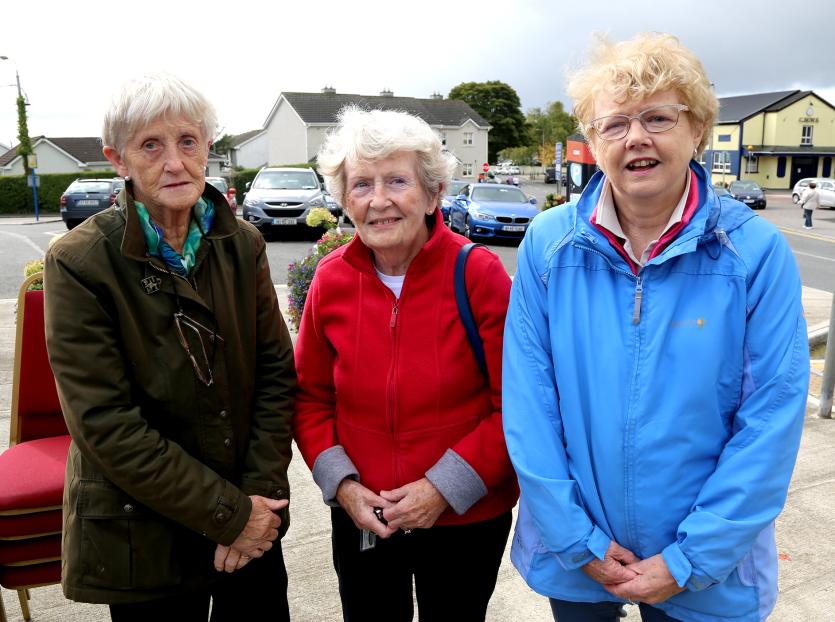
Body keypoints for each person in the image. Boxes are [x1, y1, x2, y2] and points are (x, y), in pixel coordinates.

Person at [502, 33, 809, 622]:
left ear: (697, 131)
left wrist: (691, 558)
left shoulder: (755, 253)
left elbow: (768, 424)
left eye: (658, 118)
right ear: (592, 142)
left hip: (706, 569)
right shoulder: (549, 243)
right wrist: (576, 541)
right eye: (613, 124)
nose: (635, 137)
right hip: (577, 557)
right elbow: (528, 404)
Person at [43, 73, 296, 620]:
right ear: (118, 159)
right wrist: (231, 515)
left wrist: (258, 501)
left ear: (208, 146)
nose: (175, 162)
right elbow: (106, 423)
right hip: (144, 532)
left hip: (251, 523)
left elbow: (276, 372)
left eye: (187, 141)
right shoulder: (79, 261)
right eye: (151, 145)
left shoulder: (243, 243)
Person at [293, 107, 519, 622]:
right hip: (364, 519)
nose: (379, 200)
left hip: (466, 518)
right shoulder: (330, 281)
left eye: (397, 181)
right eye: (361, 184)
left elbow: (517, 405)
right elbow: (308, 398)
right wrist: (344, 488)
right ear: (343, 199)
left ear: (433, 192)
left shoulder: (478, 273)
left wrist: (441, 488)